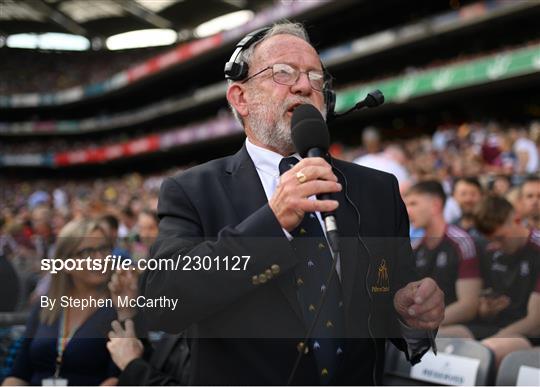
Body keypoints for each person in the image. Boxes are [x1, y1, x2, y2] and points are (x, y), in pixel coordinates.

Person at [142, 22, 444, 385]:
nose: (304, 86)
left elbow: (393, 298)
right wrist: (272, 222)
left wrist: (410, 313)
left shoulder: (377, 189)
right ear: (241, 98)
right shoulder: (192, 190)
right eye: (283, 73)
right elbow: (163, 299)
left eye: (316, 77)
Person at [3, 219, 121, 386]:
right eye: (87, 252)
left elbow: (116, 378)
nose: (99, 258)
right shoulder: (46, 306)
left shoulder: (120, 308)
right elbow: (19, 372)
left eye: (104, 249)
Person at [457, 196, 540, 367]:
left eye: (500, 238)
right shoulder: (490, 251)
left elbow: (534, 321)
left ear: (517, 220)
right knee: (438, 339)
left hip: (529, 333)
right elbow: (482, 304)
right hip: (499, 327)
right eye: (490, 240)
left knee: (484, 353)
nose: (496, 245)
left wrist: (485, 342)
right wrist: (486, 310)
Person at [404, 181, 482, 327]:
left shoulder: (461, 243)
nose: (407, 211)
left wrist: (421, 326)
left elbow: (468, 306)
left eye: (413, 204)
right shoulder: (415, 247)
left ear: (435, 205)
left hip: (455, 330)